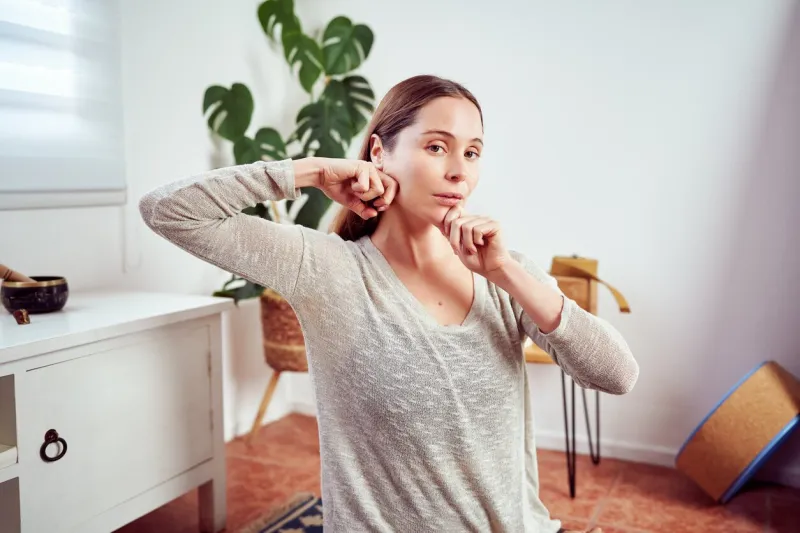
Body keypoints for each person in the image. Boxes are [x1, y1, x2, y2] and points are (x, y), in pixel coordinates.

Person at [139, 74, 638, 533]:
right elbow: (167, 211)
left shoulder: (504, 271)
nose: (458, 172)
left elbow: (618, 375)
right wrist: (310, 171)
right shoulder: (327, 269)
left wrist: (507, 274)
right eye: (438, 147)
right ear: (379, 151)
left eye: (473, 153)